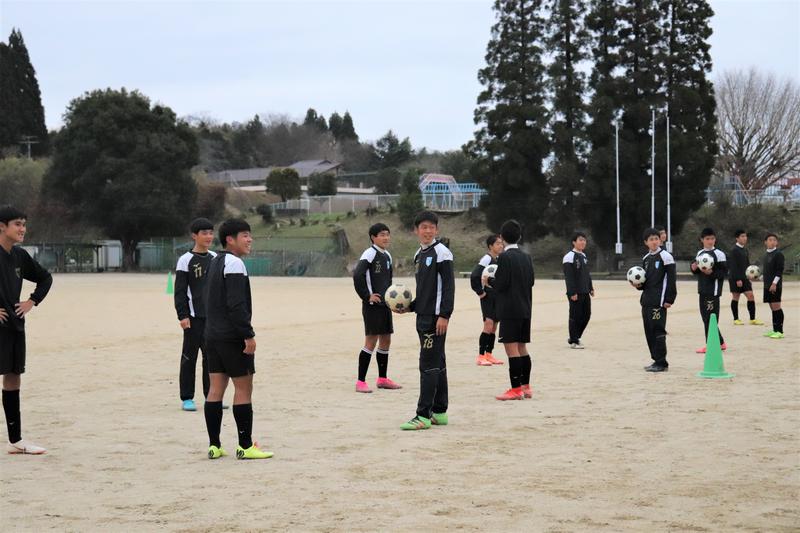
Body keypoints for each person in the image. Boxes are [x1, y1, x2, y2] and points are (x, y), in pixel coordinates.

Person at [203, 219, 272, 459]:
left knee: (215, 390)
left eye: (250, 235)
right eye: (244, 235)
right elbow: (236, 305)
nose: (250, 239)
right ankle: (245, 446)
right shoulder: (235, 263)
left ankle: (214, 445)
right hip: (232, 337)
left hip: (212, 335)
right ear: (230, 239)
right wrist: (247, 334)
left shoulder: (214, 261)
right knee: (243, 388)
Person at [0, 205, 53, 454]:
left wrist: (31, 301)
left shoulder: (20, 256)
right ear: (2, 226)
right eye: (17, 224)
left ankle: (15, 440)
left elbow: (45, 278)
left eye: (24, 224)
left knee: (13, 376)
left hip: (14, 325)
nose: (22, 229)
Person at [396, 211, 454, 430]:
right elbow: (425, 290)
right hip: (423, 316)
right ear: (416, 230)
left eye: (431, 227)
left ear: (436, 230)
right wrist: (410, 307)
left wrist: (444, 315)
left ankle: (422, 416)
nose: (427, 231)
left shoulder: (442, 253)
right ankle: (439, 412)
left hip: (435, 319)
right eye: (423, 227)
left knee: (428, 365)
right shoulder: (419, 254)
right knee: (438, 363)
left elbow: (448, 288)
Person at [351, 222, 401, 393]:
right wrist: (367, 296)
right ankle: (360, 382)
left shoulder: (387, 256)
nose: (386, 238)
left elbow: (388, 281)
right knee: (371, 341)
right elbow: (358, 275)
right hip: (372, 306)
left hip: (385, 305)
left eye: (387, 234)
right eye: (382, 235)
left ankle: (382, 379)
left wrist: (392, 301)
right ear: (373, 237)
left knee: (386, 340)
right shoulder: (369, 254)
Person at [174, 218, 218, 411]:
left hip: (212, 319)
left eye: (211, 233)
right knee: (189, 357)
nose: (209, 237)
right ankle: (187, 397)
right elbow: (179, 291)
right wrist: (182, 315)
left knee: (212, 358)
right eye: (204, 233)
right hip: (193, 318)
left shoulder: (215, 258)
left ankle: (212, 396)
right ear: (194, 236)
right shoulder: (185, 260)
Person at [493, 220, 535, 401]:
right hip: (526, 307)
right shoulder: (526, 257)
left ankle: (516, 389)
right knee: (522, 347)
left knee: (511, 349)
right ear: (519, 237)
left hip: (510, 309)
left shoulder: (504, 257)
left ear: (502, 237)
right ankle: (526, 387)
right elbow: (531, 281)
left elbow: (501, 284)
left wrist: (489, 281)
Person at [633, 228, 677, 372]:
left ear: (660, 240)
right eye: (651, 239)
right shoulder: (646, 258)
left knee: (658, 330)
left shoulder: (666, 257)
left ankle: (662, 362)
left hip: (659, 301)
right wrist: (638, 285)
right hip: (647, 301)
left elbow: (671, 279)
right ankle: (655, 359)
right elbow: (645, 281)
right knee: (649, 331)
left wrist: (670, 298)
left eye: (656, 239)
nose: (654, 242)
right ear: (646, 242)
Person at [691, 227, 728, 353]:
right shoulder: (700, 253)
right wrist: (693, 268)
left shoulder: (719, 254)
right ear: (702, 240)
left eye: (712, 238)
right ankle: (721, 343)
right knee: (705, 318)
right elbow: (697, 270)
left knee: (710, 318)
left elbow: (723, 273)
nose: (710, 241)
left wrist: (711, 273)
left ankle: (711, 345)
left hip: (713, 291)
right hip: (702, 290)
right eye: (707, 239)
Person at [470, 234, 504, 366]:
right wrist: (480, 292)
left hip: (497, 296)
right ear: (490, 246)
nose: (501, 246)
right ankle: (481, 355)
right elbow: (475, 275)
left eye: (501, 243)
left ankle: (489, 354)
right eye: (497, 244)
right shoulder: (486, 259)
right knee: (488, 324)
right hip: (487, 296)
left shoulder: (500, 259)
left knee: (494, 326)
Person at [562, 231, 594, 349]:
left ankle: (574, 337)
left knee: (586, 315)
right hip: (575, 292)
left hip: (585, 291)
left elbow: (587, 274)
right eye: (580, 240)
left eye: (584, 240)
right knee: (575, 316)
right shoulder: (569, 257)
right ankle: (574, 341)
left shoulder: (584, 256)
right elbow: (569, 277)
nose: (583, 242)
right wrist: (572, 292)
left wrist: (590, 287)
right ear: (574, 242)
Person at [727, 229, 762, 326]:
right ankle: (736, 319)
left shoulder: (745, 250)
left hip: (745, 278)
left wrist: (751, 276)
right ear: (737, 238)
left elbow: (747, 265)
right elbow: (733, 266)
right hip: (735, 278)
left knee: (751, 296)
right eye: (742, 236)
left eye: (745, 236)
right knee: (736, 297)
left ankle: (752, 319)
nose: (745, 238)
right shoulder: (734, 250)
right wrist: (737, 279)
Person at [761, 233, 785, 339]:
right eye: (770, 240)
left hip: (775, 285)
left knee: (776, 307)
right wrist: (758, 277)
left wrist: (774, 283)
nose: (772, 242)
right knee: (772, 307)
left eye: (774, 240)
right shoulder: (766, 254)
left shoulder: (778, 254)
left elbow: (779, 271)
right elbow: (767, 271)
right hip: (767, 285)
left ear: (777, 242)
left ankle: (780, 331)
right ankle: (775, 330)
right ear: (765, 242)